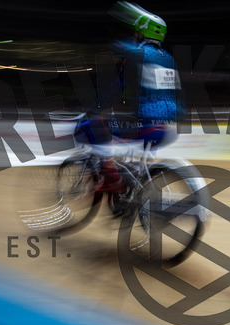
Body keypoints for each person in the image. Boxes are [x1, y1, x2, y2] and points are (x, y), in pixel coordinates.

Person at [76, 1, 184, 193]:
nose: (134, 35)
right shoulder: (169, 59)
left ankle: (112, 179)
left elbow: (116, 88)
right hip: (166, 128)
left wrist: (93, 111)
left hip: (144, 125)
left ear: (142, 32)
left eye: (136, 32)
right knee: (131, 156)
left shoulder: (136, 54)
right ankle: (134, 183)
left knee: (90, 125)